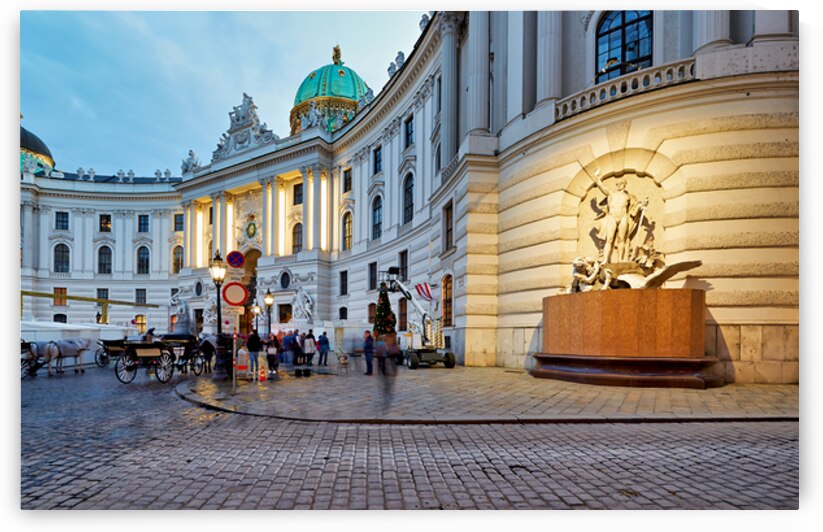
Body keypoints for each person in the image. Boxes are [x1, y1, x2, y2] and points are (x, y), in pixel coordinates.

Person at [589, 175, 647, 264]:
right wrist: (597, 178)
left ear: (624, 185)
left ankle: (620, 259)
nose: (619, 185)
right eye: (617, 184)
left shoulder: (628, 197)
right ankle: (605, 259)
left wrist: (641, 206)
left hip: (623, 217)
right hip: (612, 217)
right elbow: (602, 187)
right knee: (609, 239)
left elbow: (634, 208)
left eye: (621, 184)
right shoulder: (611, 194)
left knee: (621, 239)